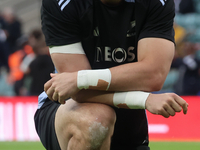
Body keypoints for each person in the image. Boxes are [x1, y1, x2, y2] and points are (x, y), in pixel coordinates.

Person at [34, 0, 188, 150]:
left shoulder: (155, 3)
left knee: (100, 118)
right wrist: (144, 99)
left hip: (129, 115)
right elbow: (78, 91)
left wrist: (80, 79)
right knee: (95, 119)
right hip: (68, 107)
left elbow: (153, 74)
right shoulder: (61, 3)